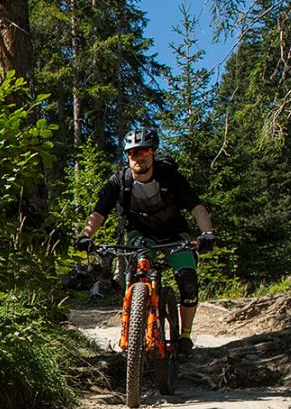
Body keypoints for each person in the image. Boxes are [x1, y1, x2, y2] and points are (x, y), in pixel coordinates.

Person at [76, 123, 217, 353]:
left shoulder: (169, 176)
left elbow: (197, 207)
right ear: (127, 156)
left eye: (143, 151)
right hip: (140, 234)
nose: (137, 157)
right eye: (132, 153)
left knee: (188, 279)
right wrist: (85, 236)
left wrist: (207, 234)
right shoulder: (119, 181)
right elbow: (99, 211)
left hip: (174, 234)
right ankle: (134, 329)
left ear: (153, 152)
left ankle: (185, 336)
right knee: (138, 269)